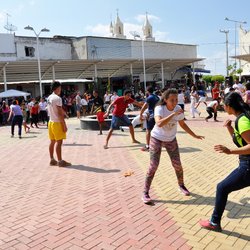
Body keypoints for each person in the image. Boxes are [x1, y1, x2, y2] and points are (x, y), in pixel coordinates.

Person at [142, 88, 204, 204]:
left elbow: (182, 124)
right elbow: (159, 123)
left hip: (171, 140)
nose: (175, 102)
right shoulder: (159, 108)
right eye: (172, 100)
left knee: (178, 165)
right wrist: (173, 114)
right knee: (153, 166)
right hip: (157, 138)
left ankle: (181, 185)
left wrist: (194, 135)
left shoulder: (178, 109)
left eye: (176, 99)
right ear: (165, 100)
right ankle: (145, 192)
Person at [199, 92, 250, 232]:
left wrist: (229, 151)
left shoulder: (242, 120)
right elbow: (242, 141)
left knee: (222, 188)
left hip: (248, 166)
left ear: (229, 106)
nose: (222, 107)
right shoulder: (243, 117)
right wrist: (230, 129)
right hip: (246, 163)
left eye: (223, 105)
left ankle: (214, 222)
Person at [47, 81, 71, 167]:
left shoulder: (49, 97)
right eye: (60, 88)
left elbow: (58, 110)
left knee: (52, 141)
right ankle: (60, 161)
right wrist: (64, 124)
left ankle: (52, 159)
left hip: (50, 122)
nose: (61, 89)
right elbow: (59, 113)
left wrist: (65, 113)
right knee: (59, 142)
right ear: (57, 88)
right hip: (57, 122)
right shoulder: (58, 98)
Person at [140, 86, 160, 151]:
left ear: (147, 91)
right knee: (157, 130)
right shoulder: (156, 97)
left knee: (148, 130)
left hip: (152, 116)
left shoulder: (149, 98)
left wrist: (140, 114)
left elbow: (144, 107)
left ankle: (148, 146)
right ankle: (158, 145)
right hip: (158, 115)